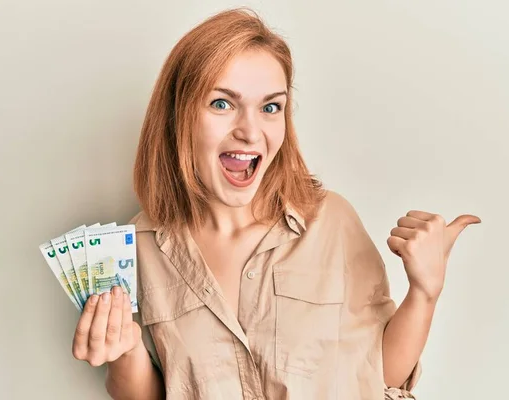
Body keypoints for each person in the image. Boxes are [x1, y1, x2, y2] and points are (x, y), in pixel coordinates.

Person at [71, 7, 481, 400]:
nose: (251, 131)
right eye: (222, 103)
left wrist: (425, 292)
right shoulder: (138, 247)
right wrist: (124, 352)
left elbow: (377, 376)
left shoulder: (331, 222)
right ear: (179, 116)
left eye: (270, 107)